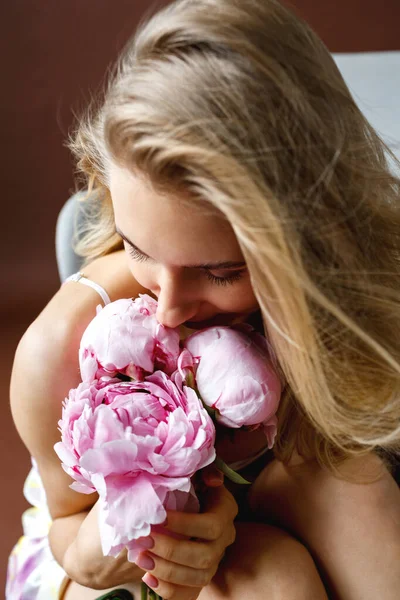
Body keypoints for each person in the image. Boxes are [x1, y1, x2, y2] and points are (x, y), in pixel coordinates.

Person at [7, 0, 400, 598]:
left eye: (219, 272)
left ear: (315, 241)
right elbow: (69, 539)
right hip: (108, 570)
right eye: (138, 249)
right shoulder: (61, 346)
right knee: (278, 580)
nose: (166, 308)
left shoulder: (356, 292)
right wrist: (151, 538)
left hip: (294, 487)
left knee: (358, 503)